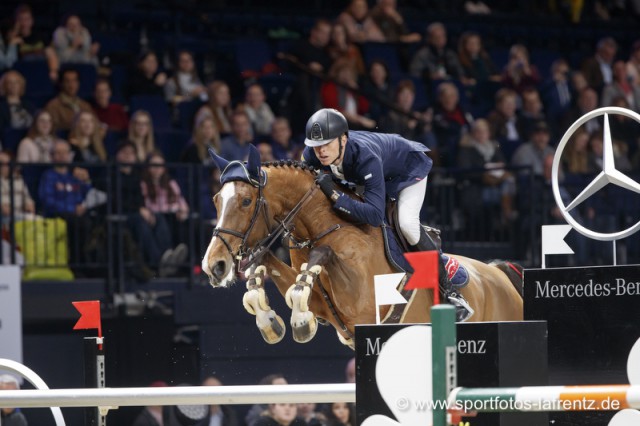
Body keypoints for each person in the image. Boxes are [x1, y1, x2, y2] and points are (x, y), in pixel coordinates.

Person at [301, 108, 472, 320]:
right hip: (372, 175)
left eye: (327, 144)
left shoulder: (365, 157)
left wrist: (335, 194)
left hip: (407, 170)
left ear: (343, 139)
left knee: (406, 224)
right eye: (316, 146)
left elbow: (373, 215)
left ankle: (450, 293)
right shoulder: (311, 155)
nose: (321, 151)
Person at [10, 4, 60, 81]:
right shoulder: (13, 40)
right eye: (21, 19)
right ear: (16, 21)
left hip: (42, 73)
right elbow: (9, 62)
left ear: (31, 21)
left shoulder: (41, 36)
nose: (24, 23)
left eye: (27, 19)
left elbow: (51, 54)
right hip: (22, 76)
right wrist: (13, 40)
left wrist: (53, 71)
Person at [0, 151, 35, 222]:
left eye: (5, 164)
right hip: (4, 218)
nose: (2, 166)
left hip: (20, 215)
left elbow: (27, 197)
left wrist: (29, 203)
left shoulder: (19, 179)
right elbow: (4, 208)